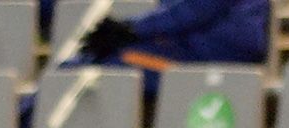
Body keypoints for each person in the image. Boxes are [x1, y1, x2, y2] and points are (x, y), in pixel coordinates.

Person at [75, 0, 269, 96]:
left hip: (216, 59)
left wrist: (130, 30)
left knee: (105, 64)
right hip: (185, 51)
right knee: (80, 65)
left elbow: (194, 11)